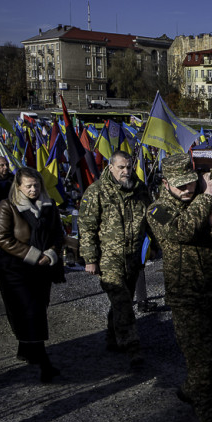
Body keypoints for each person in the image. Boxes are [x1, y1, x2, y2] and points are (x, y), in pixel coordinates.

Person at [146, 153, 212, 422]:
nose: (187, 189)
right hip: (188, 297)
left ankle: (190, 389)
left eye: (191, 183)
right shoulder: (157, 210)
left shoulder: (203, 202)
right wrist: (207, 196)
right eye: (180, 186)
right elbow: (183, 231)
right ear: (166, 183)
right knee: (200, 361)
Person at [78, 150, 151, 368]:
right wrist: (90, 259)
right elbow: (87, 227)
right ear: (110, 167)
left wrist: (155, 246)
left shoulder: (140, 190)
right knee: (121, 300)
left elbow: (151, 220)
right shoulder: (97, 192)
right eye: (121, 167)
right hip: (109, 259)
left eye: (129, 167)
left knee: (123, 300)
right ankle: (132, 346)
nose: (126, 171)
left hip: (133, 257)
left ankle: (112, 338)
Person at [0, 167, 65, 382]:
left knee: (38, 308)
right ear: (19, 187)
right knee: (31, 312)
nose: (33, 189)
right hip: (15, 269)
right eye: (28, 186)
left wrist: (52, 253)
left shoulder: (48, 205)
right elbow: (2, 237)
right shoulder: (8, 206)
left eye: (36, 185)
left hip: (43, 269)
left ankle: (25, 348)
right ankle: (44, 362)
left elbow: (57, 233)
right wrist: (33, 255)